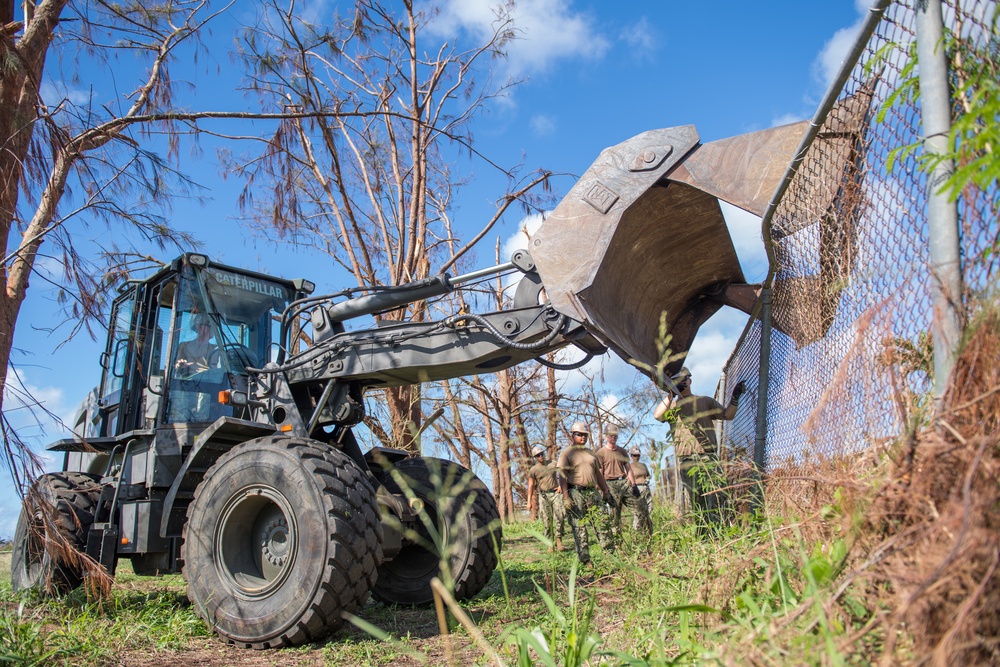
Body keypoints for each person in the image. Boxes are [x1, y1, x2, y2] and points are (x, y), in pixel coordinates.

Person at [653, 367, 745, 530]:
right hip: (687, 461)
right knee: (697, 502)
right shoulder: (672, 407)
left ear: (690, 380)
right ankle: (704, 537)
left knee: (717, 498)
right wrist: (671, 394)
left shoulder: (705, 401)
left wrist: (735, 397)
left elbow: (727, 415)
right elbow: (657, 415)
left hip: (707, 458)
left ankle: (720, 533)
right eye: (677, 380)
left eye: (683, 379)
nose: (682, 383)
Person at [557, 421, 614, 565]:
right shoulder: (567, 454)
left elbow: (598, 474)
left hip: (592, 492)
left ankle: (610, 554)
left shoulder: (590, 453)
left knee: (602, 523)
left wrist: (605, 491)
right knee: (579, 528)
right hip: (576, 492)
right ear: (573, 435)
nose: (582, 437)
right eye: (579, 434)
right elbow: (562, 476)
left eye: (585, 435)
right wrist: (566, 497)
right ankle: (585, 560)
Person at [595, 424, 651, 538]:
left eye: (615, 435)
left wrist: (634, 485)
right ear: (606, 436)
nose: (613, 437)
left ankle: (644, 536)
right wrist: (604, 490)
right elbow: (599, 473)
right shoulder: (601, 453)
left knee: (641, 508)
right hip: (610, 484)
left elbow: (628, 469)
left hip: (624, 483)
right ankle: (617, 544)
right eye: (611, 435)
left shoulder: (622, 451)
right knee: (615, 516)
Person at [526, 444, 566, 552]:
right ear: (535, 457)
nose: (541, 456)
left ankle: (559, 540)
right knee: (547, 520)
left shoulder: (553, 463)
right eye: (538, 455)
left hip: (555, 493)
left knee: (560, 516)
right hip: (544, 496)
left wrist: (561, 486)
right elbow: (530, 486)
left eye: (541, 454)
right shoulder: (534, 470)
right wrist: (529, 502)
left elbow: (563, 473)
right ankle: (550, 543)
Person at [629, 446, 653, 529]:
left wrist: (647, 479)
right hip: (636, 488)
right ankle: (637, 528)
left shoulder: (643, 465)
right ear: (631, 456)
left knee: (649, 506)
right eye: (634, 455)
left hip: (645, 487)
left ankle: (646, 524)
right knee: (638, 509)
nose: (636, 457)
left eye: (638, 455)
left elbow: (648, 475)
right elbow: (627, 478)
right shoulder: (629, 466)